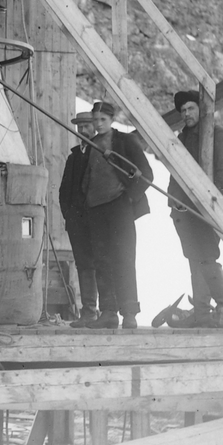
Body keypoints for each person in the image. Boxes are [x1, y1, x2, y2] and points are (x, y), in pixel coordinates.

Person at [168, 89, 223, 326]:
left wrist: (210, 205)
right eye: (183, 110)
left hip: (215, 208)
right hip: (188, 210)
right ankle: (202, 312)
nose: (186, 113)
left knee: (206, 256)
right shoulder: (181, 140)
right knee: (196, 257)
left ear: (202, 110)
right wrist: (174, 202)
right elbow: (176, 174)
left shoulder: (219, 135)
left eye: (191, 108)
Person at [79, 100, 153, 330]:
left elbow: (146, 174)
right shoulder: (91, 145)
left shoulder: (124, 141)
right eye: (95, 120)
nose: (99, 124)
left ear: (112, 120)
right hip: (96, 209)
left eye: (103, 120)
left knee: (123, 258)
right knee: (102, 260)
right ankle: (109, 312)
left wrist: (129, 198)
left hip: (119, 207)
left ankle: (129, 313)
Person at [59, 111, 99, 323]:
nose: (83, 131)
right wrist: (69, 215)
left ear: (95, 127)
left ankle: (107, 312)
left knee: (101, 264)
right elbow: (64, 191)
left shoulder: (100, 153)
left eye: (87, 126)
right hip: (77, 223)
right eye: (80, 127)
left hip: (97, 220)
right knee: (84, 265)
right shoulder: (73, 157)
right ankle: (89, 311)